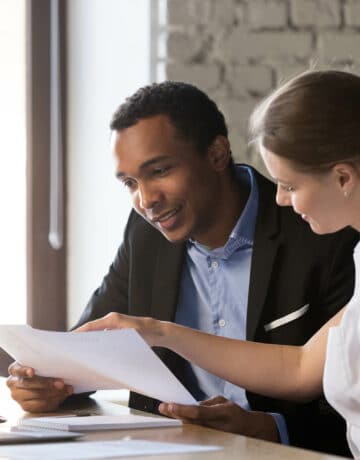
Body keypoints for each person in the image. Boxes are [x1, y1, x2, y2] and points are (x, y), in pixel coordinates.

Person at [7, 80, 357, 455]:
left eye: (159, 171)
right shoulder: (145, 236)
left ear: (217, 154)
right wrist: (47, 381)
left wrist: (271, 428)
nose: (145, 201)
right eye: (129, 182)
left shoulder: (328, 233)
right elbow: (90, 344)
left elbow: (310, 380)